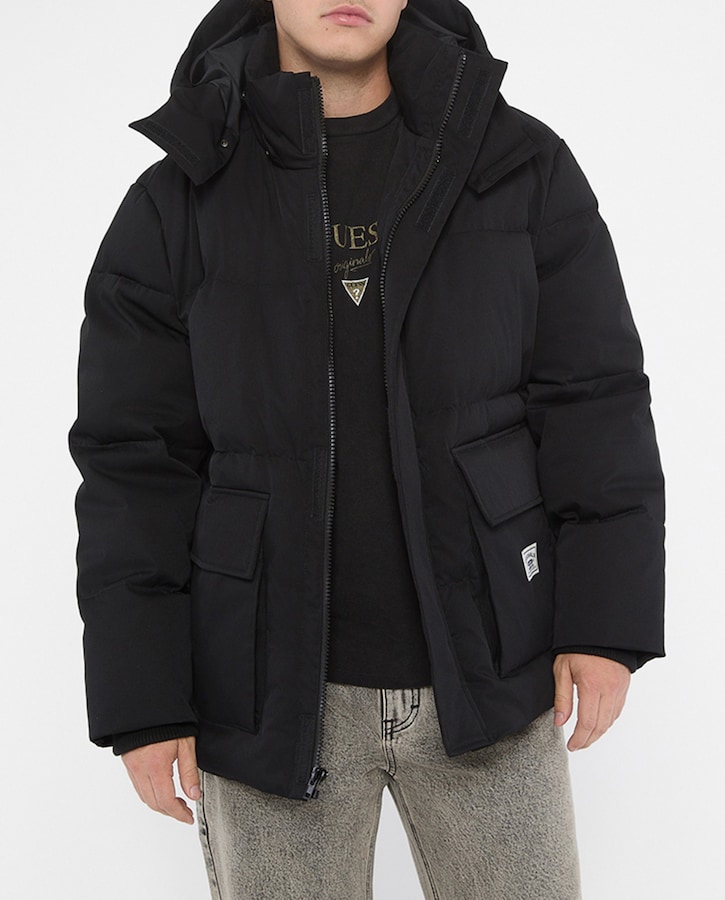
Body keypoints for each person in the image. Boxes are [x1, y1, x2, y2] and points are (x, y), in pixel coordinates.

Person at [69, 0, 665, 897]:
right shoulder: (179, 196)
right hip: (262, 694)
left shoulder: (514, 164)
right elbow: (132, 460)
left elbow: (594, 398)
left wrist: (605, 624)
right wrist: (145, 700)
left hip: (492, 675)